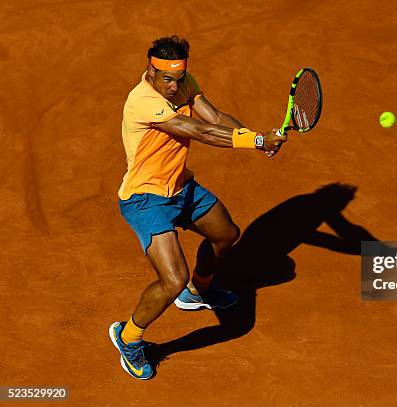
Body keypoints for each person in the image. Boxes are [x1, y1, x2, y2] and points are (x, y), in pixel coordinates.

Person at [108, 35, 286, 380]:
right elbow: (198, 130)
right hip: (146, 198)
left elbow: (215, 116)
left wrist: (254, 136)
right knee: (171, 279)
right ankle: (128, 337)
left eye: (178, 78)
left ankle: (200, 289)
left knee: (226, 234)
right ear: (150, 70)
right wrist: (257, 140)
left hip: (181, 186)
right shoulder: (142, 100)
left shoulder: (184, 83)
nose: (174, 87)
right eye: (167, 79)